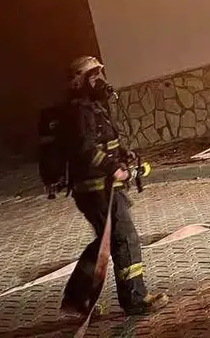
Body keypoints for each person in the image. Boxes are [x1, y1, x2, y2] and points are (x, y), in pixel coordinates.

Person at [63, 56, 166, 316]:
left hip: (101, 187)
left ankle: (77, 299)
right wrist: (113, 168)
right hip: (96, 188)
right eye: (94, 76)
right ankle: (134, 298)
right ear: (81, 80)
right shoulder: (79, 111)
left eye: (100, 74)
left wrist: (123, 154)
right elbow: (86, 149)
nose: (101, 81)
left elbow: (104, 141)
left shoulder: (93, 106)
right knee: (125, 238)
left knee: (106, 241)